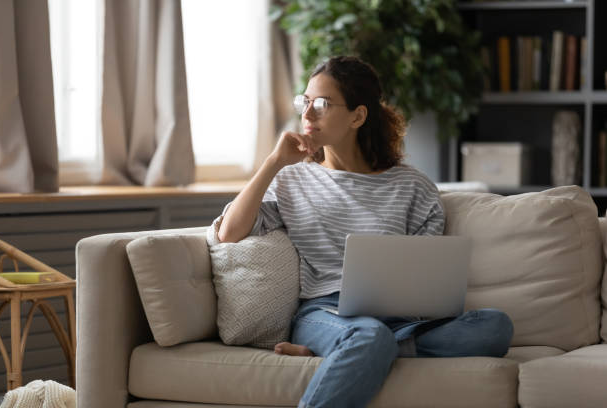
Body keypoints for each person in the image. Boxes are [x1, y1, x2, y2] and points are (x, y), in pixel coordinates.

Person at [214, 56, 514, 408]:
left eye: (322, 104)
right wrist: (273, 162)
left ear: (358, 116)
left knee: (495, 326)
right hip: (325, 314)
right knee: (369, 336)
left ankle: (354, 353)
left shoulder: (412, 186)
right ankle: (358, 347)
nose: (307, 115)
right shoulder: (292, 179)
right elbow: (229, 234)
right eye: (305, 101)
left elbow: (425, 274)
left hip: (399, 319)